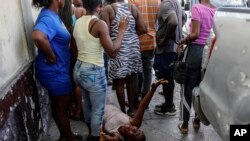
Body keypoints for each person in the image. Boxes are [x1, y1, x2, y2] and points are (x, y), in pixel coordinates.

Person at [72, 0, 129, 140]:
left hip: (79, 69)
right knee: (98, 109)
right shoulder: (99, 24)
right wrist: (121, 31)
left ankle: (92, 131)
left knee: (88, 104)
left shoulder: (77, 22)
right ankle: (95, 137)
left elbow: (73, 49)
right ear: (100, 6)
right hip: (93, 72)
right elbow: (113, 52)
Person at [32, 0, 79, 141]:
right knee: (61, 108)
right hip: (54, 71)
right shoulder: (47, 17)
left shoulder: (53, 15)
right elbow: (38, 37)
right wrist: (52, 56)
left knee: (60, 106)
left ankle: (65, 136)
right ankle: (69, 138)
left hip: (59, 69)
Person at [101, 0, 147, 117]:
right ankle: (131, 109)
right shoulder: (133, 8)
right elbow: (143, 28)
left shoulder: (109, 9)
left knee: (120, 82)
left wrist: (119, 35)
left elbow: (105, 32)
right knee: (131, 80)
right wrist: (130, 34)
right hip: (133, 48)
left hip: (119, 47)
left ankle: (122, 111)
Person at [177, 0, 216, 134]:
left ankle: (185, 124)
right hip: (209, 52)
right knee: (201, 87)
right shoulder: (215, 10)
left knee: (188, 87)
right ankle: (197, 120)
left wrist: (182, 40)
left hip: (196, 52)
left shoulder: (197, 8)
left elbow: (195, 34)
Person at [101, 79, 168, 141]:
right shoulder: (134, 123)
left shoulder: (117, 137)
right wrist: (153, 89)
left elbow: (106, 138)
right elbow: (142, 106)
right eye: (138, 130)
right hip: (108, 102)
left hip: (96, 110)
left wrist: (105, 137)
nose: (134, 128)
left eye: (133, 132)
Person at [153, 0, 185, 116]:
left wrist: (164, 40)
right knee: (168, 78)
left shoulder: (166, 4)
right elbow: (183, 17)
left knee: (165, 78)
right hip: (173, 47)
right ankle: (169, 104)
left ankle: (169, 107)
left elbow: (173, 22)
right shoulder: (175, 2)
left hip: (167, 48)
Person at [127, 0, 161, 105]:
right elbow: (157, 21)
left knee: (135, 73)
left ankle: (135, 99)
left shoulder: (132, 1)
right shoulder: (157, 2)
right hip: (151, 40)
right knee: (148, 71)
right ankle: (145, 100)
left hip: (137, 40)